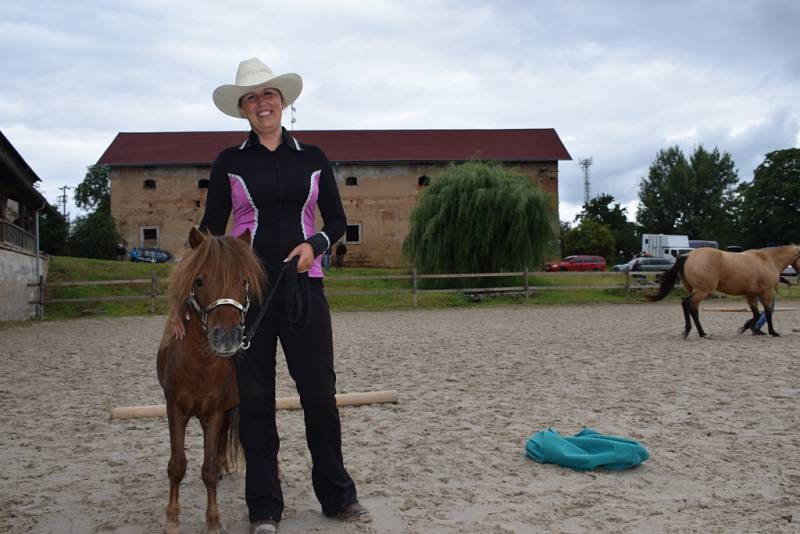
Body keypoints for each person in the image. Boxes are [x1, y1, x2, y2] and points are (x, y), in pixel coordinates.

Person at [175, 57, 368, 533]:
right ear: (243, 110)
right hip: (248, 295)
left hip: (305, 288)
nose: (263, 104)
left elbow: (338, 222)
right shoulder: (230, 162)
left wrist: (316, 244)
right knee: (255, 401)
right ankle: (264, 508)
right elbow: (208, 230)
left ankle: (337, 495)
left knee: (320, 393)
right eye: (252, 98)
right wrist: (182, 291)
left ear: (283, 103)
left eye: (269, 95)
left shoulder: (314, 158)